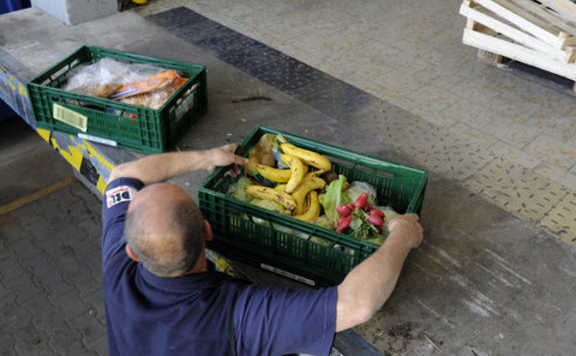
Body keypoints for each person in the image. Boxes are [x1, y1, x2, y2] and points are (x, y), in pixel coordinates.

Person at [101, 143, 423, 356]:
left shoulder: (118, 263)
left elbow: (122, 175)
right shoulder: (237, 316)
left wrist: (206, 157)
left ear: (133, 251)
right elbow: (358, 305)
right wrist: (402, 236)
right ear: (208, 231)